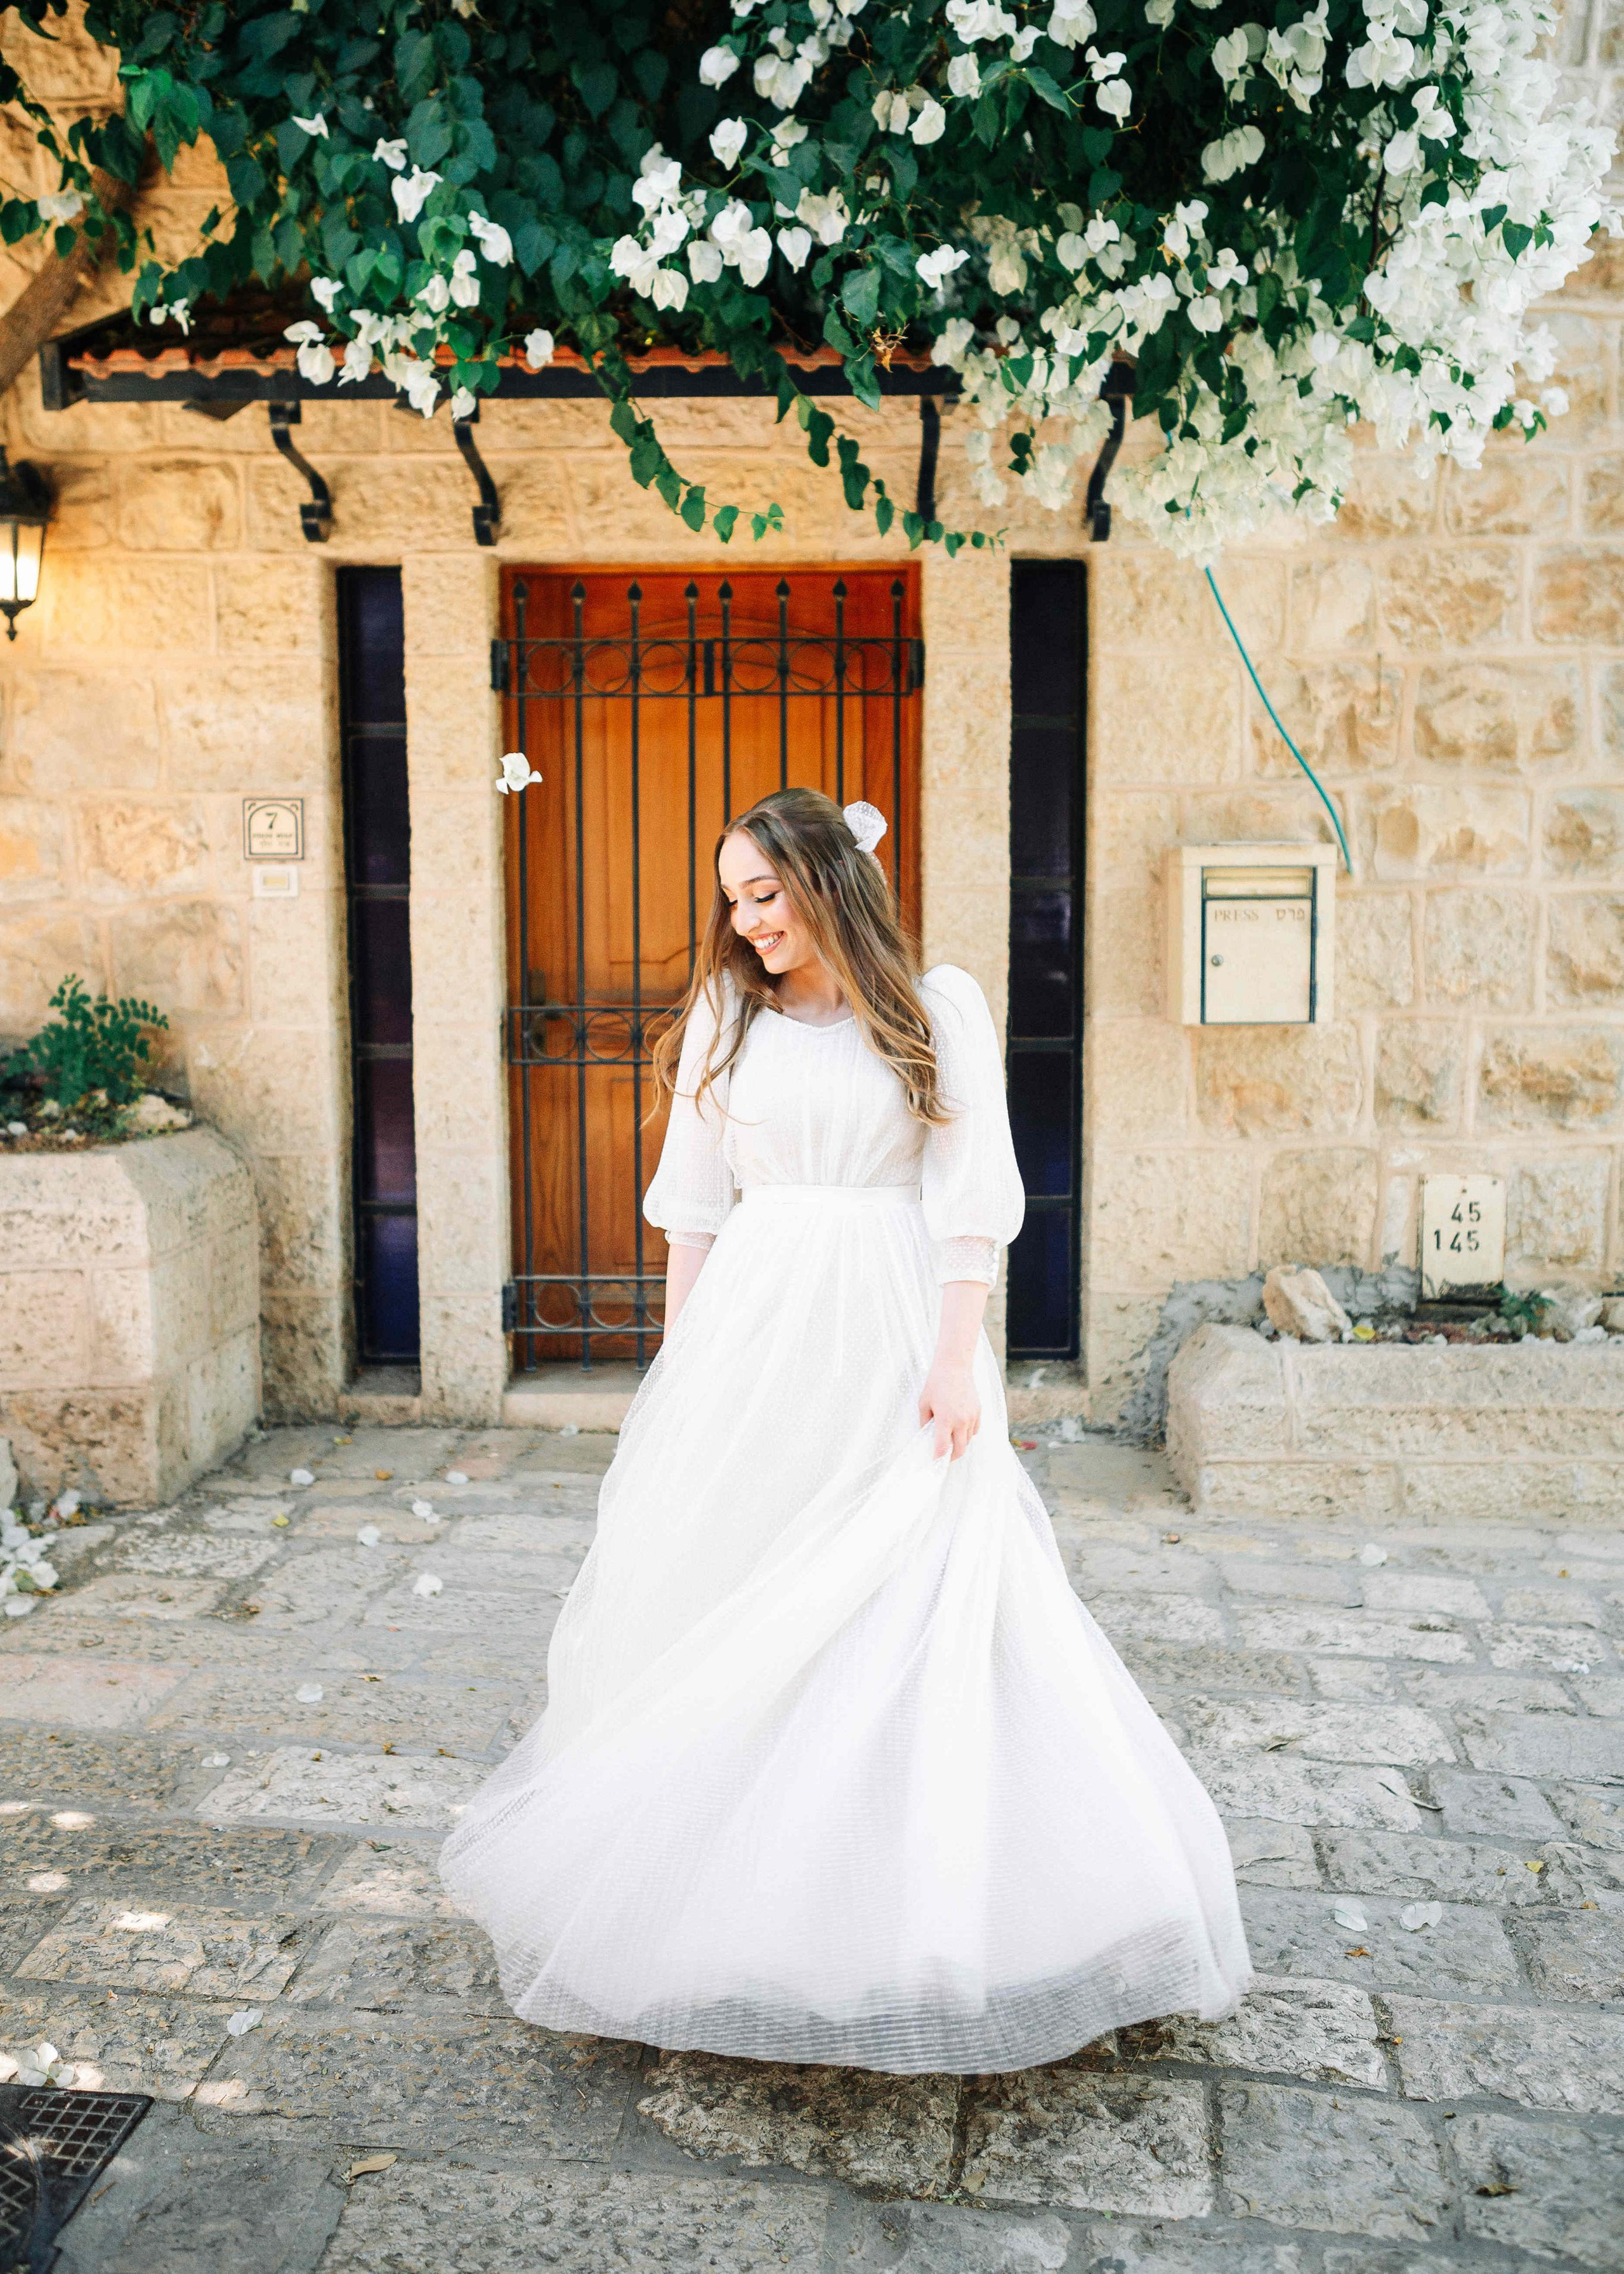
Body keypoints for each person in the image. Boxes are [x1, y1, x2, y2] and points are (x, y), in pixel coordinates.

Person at [441, 787, 1251, 2072]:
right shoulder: (727, 1017)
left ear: (828, 881)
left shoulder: (935, 1009)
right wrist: (682, 1364)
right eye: (733, 897)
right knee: (739, 1572)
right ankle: (729, 1906)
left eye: (763, 891)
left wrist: (953, 1356)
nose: (743, 919)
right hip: (758, 1325)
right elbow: (693, 1206)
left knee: (917, 1584)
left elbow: (969, 1191)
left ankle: (927, 1907)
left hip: (889, 1324)